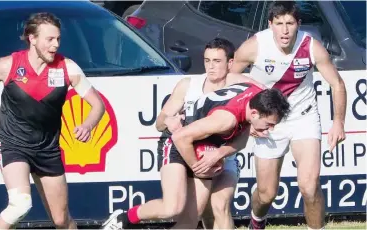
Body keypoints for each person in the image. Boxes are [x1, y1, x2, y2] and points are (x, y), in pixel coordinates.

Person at [0, 12, 105, 229]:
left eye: (58, 39)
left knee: (61, 219)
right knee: (20, 205)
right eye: (49, 39)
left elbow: (98, 105)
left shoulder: (67, 68)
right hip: (13, 144)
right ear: (32, 39)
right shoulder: (9, 65)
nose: (55, 45)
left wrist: (88, 125)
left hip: (48, 150)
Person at [101, 81, 290, 230]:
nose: (270, 130)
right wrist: (197, 167)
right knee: (172, 208)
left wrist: (220, 152)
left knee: (190, 221)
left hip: (203, 147)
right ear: (255, 113)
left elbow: (241, 138)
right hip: (177, 142)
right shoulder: (226, 120)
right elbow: (180, 137)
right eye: (269, 125)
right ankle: (124, 217)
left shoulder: (256, 91)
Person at [228, 1, 347, 229]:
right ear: (270, 24)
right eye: (279, 23)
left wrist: (338, 123)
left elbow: (337, 84)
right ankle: (257, 221)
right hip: (268, 124)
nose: (284, 30)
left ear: (298, 24)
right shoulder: (254, 46)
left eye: (290, 23)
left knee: (310, 186)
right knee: (266, 194)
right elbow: (229, 80)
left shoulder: (311, 46)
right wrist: (247, 119)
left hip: (304, 118)